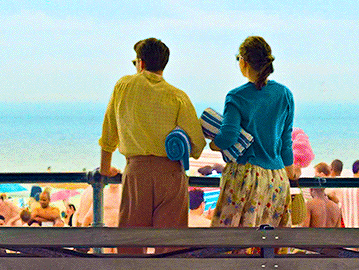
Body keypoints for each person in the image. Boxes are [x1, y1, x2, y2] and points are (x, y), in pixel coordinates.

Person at [99, 38, 205, 254]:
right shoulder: (178, 96)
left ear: (141, 63)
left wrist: (105, 168)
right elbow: (197, 146)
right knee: (170, 247)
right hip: (170, 174)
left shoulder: (123, 87)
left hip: (137, 173)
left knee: (131, 244)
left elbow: (109, 132)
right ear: (163, 64)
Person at [210, 36, 298, 228]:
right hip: (277, 179)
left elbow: (229, 136)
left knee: (232, 240)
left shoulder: (237, 96)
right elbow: (285, 141)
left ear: (243, 62)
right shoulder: (285, 94)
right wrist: (290, 170)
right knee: (269, 241)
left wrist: (214, 144)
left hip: (245, 178)